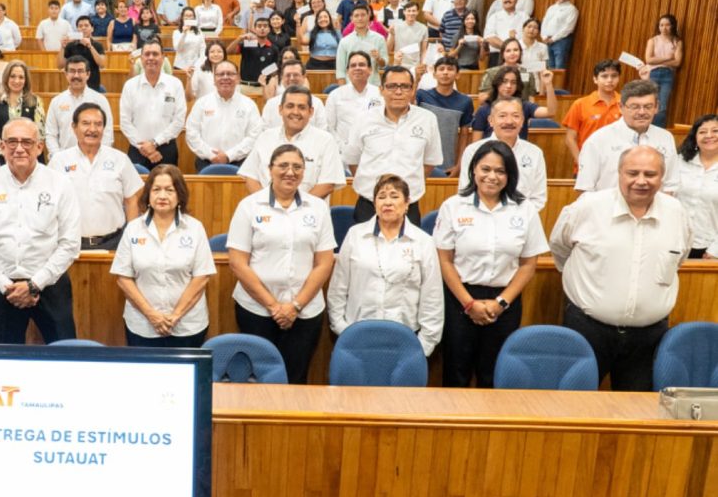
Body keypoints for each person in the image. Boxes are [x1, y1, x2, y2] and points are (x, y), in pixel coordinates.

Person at [550, 145, 691, 391]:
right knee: (574, 407)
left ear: (662, 177)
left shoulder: (676, 213)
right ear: (619, 173)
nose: (641, 181)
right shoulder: (588, 207)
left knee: (636, 416)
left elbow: (680, 257)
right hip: (587, 328)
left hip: (648, 338)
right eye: (632, 173)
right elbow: (559, 247)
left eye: (650, 174)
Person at [436, 141, 549, 387]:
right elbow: (444, 260)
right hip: (460, 300)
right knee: (456, 373)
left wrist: (501, 303)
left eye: (500, 171)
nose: (492, 176)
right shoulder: (453, 206)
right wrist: (469, 304)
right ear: (473, 170)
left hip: (504, 303)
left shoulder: (524, 209)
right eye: (485, 169)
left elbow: (529, 264)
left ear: (510, 175)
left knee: (494, 375)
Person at [228, 144, 337, 384]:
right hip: (256, 309)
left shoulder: (317, 208)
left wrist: (294, 306)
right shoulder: (249, 206)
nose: (290, 172)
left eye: (297, 167)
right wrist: (274, 306)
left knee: (295, 379)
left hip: (304, 311)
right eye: (283, 165)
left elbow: (324, 263)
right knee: (257, 380)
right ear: (270, 169)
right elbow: (237, 263)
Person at [0, 118, 82, 344]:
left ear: (39, 147)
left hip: (50, 285)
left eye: (27, 142)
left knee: (65, 356)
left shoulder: (60, 184)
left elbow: (69, 244)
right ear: (1, 146)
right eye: (12, 142)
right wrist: (4, 285)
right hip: (3, 289)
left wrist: (35, 284)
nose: (19, 148)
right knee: (6, 360)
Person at [327, 174, 443, 356]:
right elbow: (338, 288)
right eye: (381, 197)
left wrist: (423, 346)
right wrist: (342, 330)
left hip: (405, 338)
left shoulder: (423, 242)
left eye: (394, 196)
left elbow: (432, 297)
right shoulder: (355, 235)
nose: (387, 202)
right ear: (374, 204)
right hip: (356, 335)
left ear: (407, 204)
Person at [112, 164, 216, 347]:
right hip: (143, 326)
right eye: (156, 190)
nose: (162, 196)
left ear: (180, 195)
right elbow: (123, 278)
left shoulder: (195, 228)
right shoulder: (133, 229)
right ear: (148, 195)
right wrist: (151, 315)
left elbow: (201, 277)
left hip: (187, 326)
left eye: (169, 190)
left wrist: (175, 316)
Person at [344, 66, 442, 224]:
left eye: (404, 86)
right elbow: (353, 160)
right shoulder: (363, 119)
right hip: (369, 204)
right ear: (381, 90)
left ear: (412, 90)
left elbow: (430, 162)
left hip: (408, 206)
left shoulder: (427, 119)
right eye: (392, 86)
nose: (398, 92)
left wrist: (403, 190)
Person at [49, 104, 142, 250]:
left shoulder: (120, 159)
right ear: (74, 127)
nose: (92, 129)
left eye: (98, 124)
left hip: (114, 243)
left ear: (103, 128)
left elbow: (131, 201)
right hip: (69, 245)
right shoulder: (59, 161)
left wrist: (132, 238)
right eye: (85, 123)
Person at [575, 79, 680, 193]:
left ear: (656, 107)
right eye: (635, 107)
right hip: (610, 209)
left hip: (655, 209)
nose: (641, 112)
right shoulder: (598, 140)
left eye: (648, 106)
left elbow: (671, 184)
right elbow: (585, 188)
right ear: (621, 107)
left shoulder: (665, 137)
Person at [241, 86, 344, 198]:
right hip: (267, 211)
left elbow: (327, 184)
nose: (295, 112)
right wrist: (268, 205)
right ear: (280, 110)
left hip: (309, 212)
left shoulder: (326, 140)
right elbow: (250, 176)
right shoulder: (265, 137)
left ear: (311, 112)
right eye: (290, 106)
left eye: (302, 107)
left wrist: (296, 208)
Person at [459, 97, 547, 211]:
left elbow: (538, 198)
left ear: (522, 121)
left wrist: (516, 219)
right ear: (491, 120)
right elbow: (465, 192)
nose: (509, 121)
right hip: (479, 218)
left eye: (515, 116)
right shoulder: (473, 151)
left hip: (520, 222)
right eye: (502, 116)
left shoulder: (535, 153)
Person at [185, 60, 263, 172]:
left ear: (238, 78)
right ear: (214, 79)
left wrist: (229, 155)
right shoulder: (202, 103)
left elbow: (254, 136)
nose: (225, 77)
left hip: (241, 164)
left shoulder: (249, 105)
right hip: (206, 162)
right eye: (220, 74)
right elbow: (192, 133)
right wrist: (211, 155)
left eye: (230, 74)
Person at [119, 40, 186, 168]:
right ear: (141, 58)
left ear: (163, 57)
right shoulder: (130, 85)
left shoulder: (175, 84)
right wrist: (144, 147)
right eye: (147, 54)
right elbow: (125, 122)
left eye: (155, 54)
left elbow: (179, 120)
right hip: (137, 149)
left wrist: (154, 143)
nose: (151, 58)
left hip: (166, 149)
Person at [415, 57, 474, 176]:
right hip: (420, 162)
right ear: (434, 74)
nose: (445, 72)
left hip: (447, 165)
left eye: (450, 69)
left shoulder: (465, 101)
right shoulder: (421, 95)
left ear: (457, 75)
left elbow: (463, 136)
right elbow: (408, 108)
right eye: (441, 69)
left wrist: (459, 165)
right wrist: (416, 80)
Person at [562, 59, 623, 172]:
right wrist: (581, 162)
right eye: (604, 76)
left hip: (618, 167)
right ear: (595, 79)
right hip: (587, 166)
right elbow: (570, 138)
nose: (609, 80)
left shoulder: (626, 104)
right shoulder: (580, 104)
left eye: (614, 76)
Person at [45, 56, 114, 154]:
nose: (76, 75)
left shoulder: (100, 100)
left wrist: (99, 157)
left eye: (80, 71)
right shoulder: (56, 102)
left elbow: (107, 133)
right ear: (66, 74)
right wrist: (58, 157)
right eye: (72, 71)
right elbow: (50, 134)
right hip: (64, 160)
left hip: (94, 158)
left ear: (88, 74)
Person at [471, 66, 557, 142]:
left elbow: (551, 112)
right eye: (504, 81)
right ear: (497, 83)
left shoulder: (524, 106)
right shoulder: (484, 110)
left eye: (513, 82)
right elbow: (476, 143)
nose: (508, 86)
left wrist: (548, 84)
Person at [0, 61, 44, 161]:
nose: (17, 81)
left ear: (26, 80)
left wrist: (24, 150)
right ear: (6, 77)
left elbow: (40, 133)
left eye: (21, 77)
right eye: (12, 76)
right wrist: (5, 150)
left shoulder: (35, 101)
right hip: (2, 157)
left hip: (29, 157)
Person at [677, 114, 718, 258]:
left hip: (709, 247)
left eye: (715, 131)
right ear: (695, 137)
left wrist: (715, 251)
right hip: (675, 241)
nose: (709, 135)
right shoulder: (679, 161)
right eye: (702, 131)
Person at [326, 51, 383, 151]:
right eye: (353, 65)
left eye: (362, 65)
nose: (357, 68)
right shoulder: (335, 95)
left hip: (375, 151)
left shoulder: (380, 94)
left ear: (370, 70)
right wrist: (341, 147)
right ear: (347, 71)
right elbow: (329, 127)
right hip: (343, 152)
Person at [261, 56, 326, 131]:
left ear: (304, 76)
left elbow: (323, 131)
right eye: (288, 75)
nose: (291, 78)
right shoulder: (271, 104)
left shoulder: (317, 103)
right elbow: (264, 132)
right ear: (282, 77)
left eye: (295, 75)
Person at [644, 14, 684, 129]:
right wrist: (668, 58)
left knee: (662, 106)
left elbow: (677, 63)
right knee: (650, 102)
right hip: (653, 73)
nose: (664, 28)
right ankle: (645, 129)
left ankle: (657, 132)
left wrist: (657, 60)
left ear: (673, 26)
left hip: (668, 75)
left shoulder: (677, 42)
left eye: (667, 25)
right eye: (661, 25)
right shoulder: (653, 40)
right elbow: (648, 60)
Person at [336, 5, 388, 86]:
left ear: (368, 16)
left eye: (363, 15)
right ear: (352, 19)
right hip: (350, 85)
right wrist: (343, 91)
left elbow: (384, 65)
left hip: (373, 84)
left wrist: (379, 58)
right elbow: (340, 71)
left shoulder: (379, 39)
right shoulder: (344, 41)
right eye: (356, 16)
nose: (360, 18)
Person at [227, 18, 278, 96]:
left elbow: (275, 68)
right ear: (254, 29)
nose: (262, 28)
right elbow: (228, 52)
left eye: (265, 26)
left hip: (263, 87)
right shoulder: (248, 43)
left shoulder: (273, 48)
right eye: (259, 26)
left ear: (269, 29)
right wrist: (239, 38)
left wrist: (266, 73)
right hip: (245, 86)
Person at [58, 16, 107, 92]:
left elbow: (102, 64)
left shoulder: (97, 45)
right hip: (74, 85)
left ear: (92, 29)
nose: (83, 28)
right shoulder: (71, 45)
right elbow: (60, 65)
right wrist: (62, 47)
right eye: (80, 26)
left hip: (93, 86)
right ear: (77, 29)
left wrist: (90, 47)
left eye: (86, 25)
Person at [483, 0, 529, 67]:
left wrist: (514, 50)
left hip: (520, 57)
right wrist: (508, 48)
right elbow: (489, 37)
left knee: (520, 79)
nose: (507, 0)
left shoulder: (524, 16)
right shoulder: (494, 17)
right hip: (497, 56)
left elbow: (528, 36)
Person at [540, 0, 579, 69]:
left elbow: (569, 28)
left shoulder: (572, 9)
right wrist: (544, 36)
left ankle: (558, 83)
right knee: (549, 67)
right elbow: (544, 22)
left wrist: (553, 39)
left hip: (561, 42)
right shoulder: (552, 7)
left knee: (559, 68)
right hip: (547, 40)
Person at [387, 1, 428, 70]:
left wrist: (423, 64)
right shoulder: (395, 27)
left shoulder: (423, 28)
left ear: (417, 12)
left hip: (415, 66)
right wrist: (392, 35)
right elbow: (388, 49)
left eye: (413, 11)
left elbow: (423, 51)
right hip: (399, 64)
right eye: (408, 11)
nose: (411, 13)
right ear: (404, 12)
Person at [172, 7, 206, 72]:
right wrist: (184, 34)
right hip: (180, 66)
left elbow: (203, 49)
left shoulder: (199, 32)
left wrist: (199, 64)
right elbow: (178, 48)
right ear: (182, 18)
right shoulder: (176, 32)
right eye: (186, 16)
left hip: (195, 66)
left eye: (191, 16)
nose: (188, 18)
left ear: (194, 18)